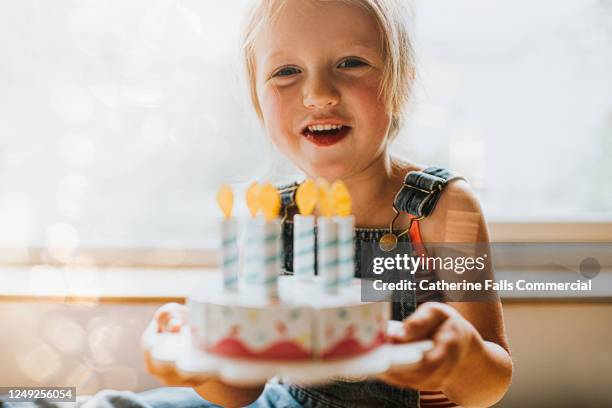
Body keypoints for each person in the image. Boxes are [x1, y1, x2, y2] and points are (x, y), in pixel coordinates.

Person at [142, 0, 513, 407]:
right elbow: (241, 390)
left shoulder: (445, 209)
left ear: (400, 83)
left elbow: (489, 385)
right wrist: (197, 359)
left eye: (351, 62)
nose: (318, 94)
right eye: (286, 71)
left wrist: (460, 356)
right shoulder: (273, 215)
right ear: (257, 100)